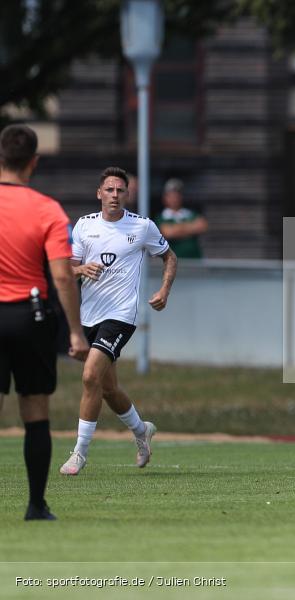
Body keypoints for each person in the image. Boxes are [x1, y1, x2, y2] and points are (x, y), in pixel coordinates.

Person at [59, 167, 178, 476]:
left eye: (120, 190)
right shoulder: (84, 226)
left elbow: (169, 257)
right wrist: (82, 269)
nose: (114, 195)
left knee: (89, 378)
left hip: (121, 316)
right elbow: (68, 269)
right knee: (108, 388)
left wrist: (164, 289)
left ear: (128, 194)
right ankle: (141, 431)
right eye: (109, 190)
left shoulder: (142, 227)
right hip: (89, 316)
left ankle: (79, 453)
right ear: (99, 193)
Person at [0, 124, 89, 520]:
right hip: (29, 316)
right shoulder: (47, 209)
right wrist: (75, 330)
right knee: (35, 410)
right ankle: (36, 505)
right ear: (33, 162)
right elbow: (63, 275)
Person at [156, 178, 207, 259]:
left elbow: (202, 226)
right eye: (171, 195)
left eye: (177, 195)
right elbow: (168, 233)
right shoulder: (161, 217)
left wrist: (177, 229)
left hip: (194, 261)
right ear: (165, 197)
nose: (175, 198)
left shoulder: (190, 213)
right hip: (172, 263)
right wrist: (191, 228)